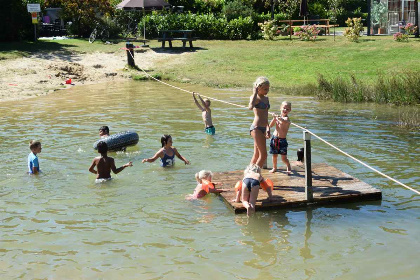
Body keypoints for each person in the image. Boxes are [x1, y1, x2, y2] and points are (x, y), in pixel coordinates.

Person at [249, 77, 271, 168]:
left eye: (268, 89)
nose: (267, 91)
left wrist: (268, 127)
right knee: (264, 155)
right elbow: (250, 107)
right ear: (259, 88)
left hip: (264, 127)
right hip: (256, 128)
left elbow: (266, 115)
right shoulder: (255, 97)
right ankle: (254, 175)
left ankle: (248, 174)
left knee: (257, 154)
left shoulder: (266, 98)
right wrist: (254, 93)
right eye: (265, 89)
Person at [268, 101, 292, 174]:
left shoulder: (287, 119)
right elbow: (270, 125)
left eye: (287, 109)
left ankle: (288, 165)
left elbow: (282, 122)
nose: (285, 110)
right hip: (275, 138)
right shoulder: (278, 117)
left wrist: (278, 118)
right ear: (281, 108)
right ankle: (274, 167)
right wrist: (274, 118)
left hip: (282, 140)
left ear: (289, 111)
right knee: (274, 155)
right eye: (284, 108)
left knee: (283, 158)